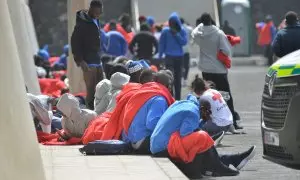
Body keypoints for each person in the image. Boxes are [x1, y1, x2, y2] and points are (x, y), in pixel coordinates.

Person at [150, 94, 256, 178]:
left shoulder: (184, 103)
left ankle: (230, 161)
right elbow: (184, 133)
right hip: (163, 147)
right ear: (202, 107)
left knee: (203, 140)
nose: (209, 116)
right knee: (203, 137)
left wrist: (200, 124)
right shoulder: (193, 112)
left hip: (159, 144)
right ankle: (221, 165)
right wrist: (202, 131)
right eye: (208, 112)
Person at [192, 13, 242, 130]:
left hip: (205, 68)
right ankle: (231, 122)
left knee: (208, 95)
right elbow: (226, 50)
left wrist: (200, 25)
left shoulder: (198, 33)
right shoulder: (219, 33)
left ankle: (209, 120)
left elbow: (193, 32)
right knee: (225, 95)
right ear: (211, 21)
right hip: (218, 69)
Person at [122, 70, 175, 154]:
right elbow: (152, 124)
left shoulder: (142, 92)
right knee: (176, 141)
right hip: (142, 141)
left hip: (130, 139)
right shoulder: (159, 99)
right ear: (167, 86)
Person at [71, 0, 105, 109]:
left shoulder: (96, 20)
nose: (98, 15)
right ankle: (90, 114)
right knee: (91, 92)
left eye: (100, 13)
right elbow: (75, 43)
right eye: (96, 12)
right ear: (91, 9)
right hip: (88, 62)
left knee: (101, 89)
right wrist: (80, 61)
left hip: (97, 60)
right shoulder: (81, 24)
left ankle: (99, 111)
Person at [159, 12, 187, 100]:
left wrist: (176, 34)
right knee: (170, 77)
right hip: (169, 57)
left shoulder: (181, 30)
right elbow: (161, 44)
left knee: (178, 78)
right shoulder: (165, 31)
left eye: (173, 22)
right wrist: (160, 57)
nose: (171, 24)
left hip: (179, 57)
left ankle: (178, 98)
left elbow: (184, 42)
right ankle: (170, 97)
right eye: (170, 22)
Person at [180, 17, 193, 87]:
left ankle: (182, 78)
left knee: (181, 66)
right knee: (186, 65)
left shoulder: (178, 29)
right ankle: (185, 79)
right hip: (187, 49)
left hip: (179, 50)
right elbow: (192, 38)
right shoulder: (189, 28)